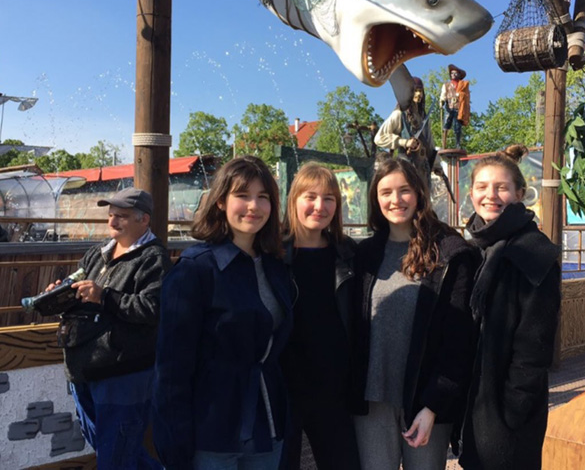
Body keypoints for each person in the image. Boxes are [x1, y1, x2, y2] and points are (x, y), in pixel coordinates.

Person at [153, 156, 293, 470]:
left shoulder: (274, 266)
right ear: (220, 202)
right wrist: (173, 441)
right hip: (211, 428)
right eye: (242, 195)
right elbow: (171, 369)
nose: (254, 206)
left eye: (263, 197)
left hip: (267, 425)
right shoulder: (195, 270)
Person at [350, 158, 479, 470]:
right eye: (386, 192)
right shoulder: (365, 254)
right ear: (375, 199)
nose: (395, 200)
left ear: (419, 193)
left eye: (404, 190)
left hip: (425, 401)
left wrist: (434, 404)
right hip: (373, 401)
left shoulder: (448, 252)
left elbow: (458, 339)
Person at [47, 187, 171, 470]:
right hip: (84, 369)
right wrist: (58, 295)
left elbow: (154, 309)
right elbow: (78, 290)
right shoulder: (97, 253)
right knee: (115, 452)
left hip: (123, 375)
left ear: (144, 220)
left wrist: (104, 296)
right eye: (111, 215)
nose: (112, 221)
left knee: (115, 457)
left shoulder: (154, 259)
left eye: (121, 216)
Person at [456, 145, 561, 470]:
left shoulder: (534, 253)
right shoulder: (474, 251)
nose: (491, 195)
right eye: (482, 187)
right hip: (476, 403)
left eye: (501, 187)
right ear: (471, 194)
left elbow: (535, 343)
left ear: (519, 194)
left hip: (508, 412)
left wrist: (512, 410)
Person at [279, 162, 361, 470]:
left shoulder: (348, 254)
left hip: (335, 387)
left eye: (329, 198)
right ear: (294, 200)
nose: (319, 206)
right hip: (285, 386)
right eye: (310, 197)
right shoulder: (273, 254)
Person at [374, 77, 437, 189]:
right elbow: (379, 138)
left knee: (425, 198)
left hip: (423, 170)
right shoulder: (399, 114)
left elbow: (430, 145)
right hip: (406, 168)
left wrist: (437, 165)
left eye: (420, 91)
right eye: (415, 91)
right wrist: (404, 142)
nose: (419, 94)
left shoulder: (424, 119)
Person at [439, 64, 470, 153]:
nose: (453, 74)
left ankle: (458, 144)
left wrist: (461, 96)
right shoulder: (446, 85)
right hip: (449, 107)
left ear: (459, 75)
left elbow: (466, 96)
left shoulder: (462, 85)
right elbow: (443, 94)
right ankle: (444, 144)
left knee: (457, 127)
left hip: (458, 108)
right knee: (446, 125)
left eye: (455, 73)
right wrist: (442, 101)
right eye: (452, 73)